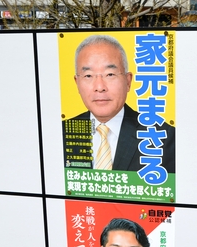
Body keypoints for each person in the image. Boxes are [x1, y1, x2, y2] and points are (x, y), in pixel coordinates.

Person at [62, 34, 175, 173]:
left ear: (128, 81)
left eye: (110, 74)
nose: (99, 87)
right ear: (77, 83)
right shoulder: (60, 133)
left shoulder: (164, 137)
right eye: (88, 76)